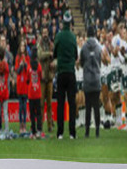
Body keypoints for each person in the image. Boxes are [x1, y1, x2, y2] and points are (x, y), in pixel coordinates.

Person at [53, 11, 78, 139]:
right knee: (72, 104)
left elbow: (54, 54)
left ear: (63, 22)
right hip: (71, 72)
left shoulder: (58, 36)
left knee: (60, 104)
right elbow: (76, 55)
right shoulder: (73, 37)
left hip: (61, 72)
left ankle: (60, 133)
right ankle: (72, 133)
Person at [79, 24, 104, 138]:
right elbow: (100, 60)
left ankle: (87, 132)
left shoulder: (84, 47)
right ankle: (98, 131)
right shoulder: (99, 46)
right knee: (96, 107)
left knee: (88, 106)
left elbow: (81, 62)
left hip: (88, 80)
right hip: (96, 79)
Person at [37, 28, 55, 133]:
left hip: (50, 76)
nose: (44, 34)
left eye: (46, 33)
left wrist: (55, 64)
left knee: (49, 103)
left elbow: (56, 58)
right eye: (43, 33)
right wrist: (49, 54)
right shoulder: (39, 44)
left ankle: (49, 125)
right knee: (41, 103)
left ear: (48, 33)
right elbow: (40, 55)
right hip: (42, 77)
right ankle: (40, 125)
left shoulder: (51, 44)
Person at [27, 46, 44, 137]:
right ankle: (39, 130)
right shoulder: (39, 66)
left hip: (30, 93)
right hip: (37, 92)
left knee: (32, 113)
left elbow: (27, 78)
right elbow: (41, 77)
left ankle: (33, 131)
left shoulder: (29, 66)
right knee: (39, 112)